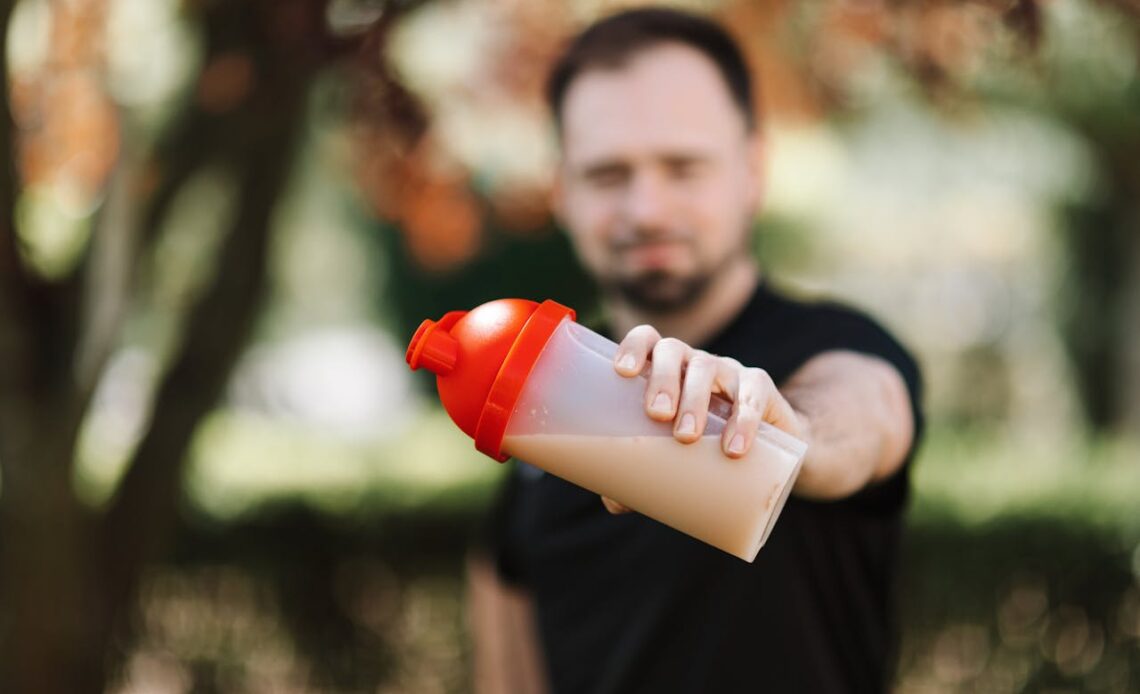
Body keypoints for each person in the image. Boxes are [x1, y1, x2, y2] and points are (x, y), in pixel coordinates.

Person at [467, 7, 924, 694]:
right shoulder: (534, 439)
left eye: (683, 167)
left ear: (753, 171)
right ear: (561, 192)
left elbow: (868, 415)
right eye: (608, 175)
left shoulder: (836, 349)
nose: (647, 208)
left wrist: (791, 437)